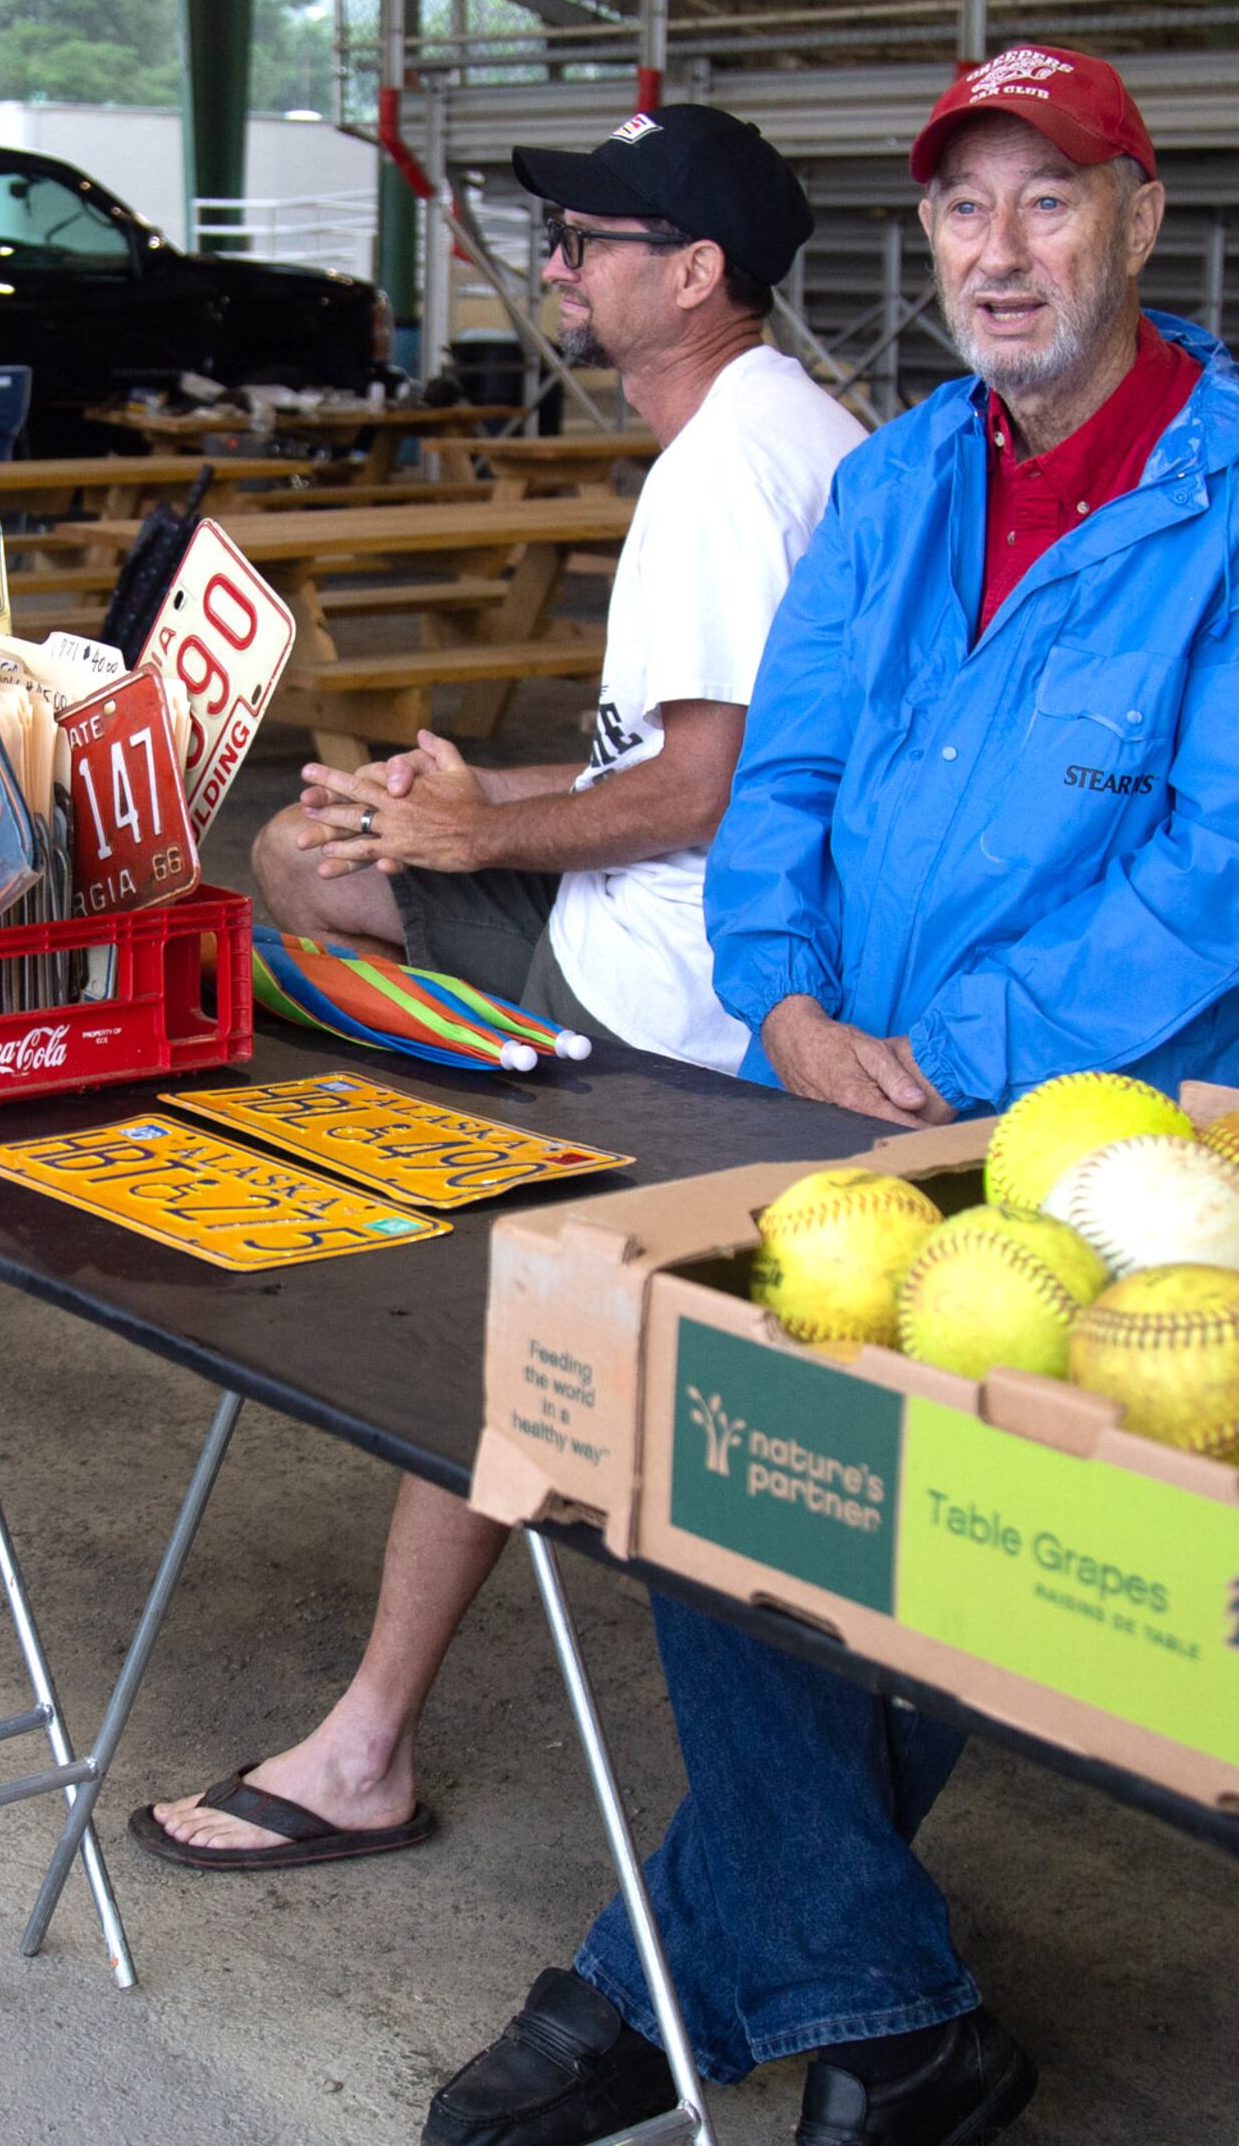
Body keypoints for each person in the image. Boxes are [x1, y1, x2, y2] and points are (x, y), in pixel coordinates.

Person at [423, 42, 1239, 2146]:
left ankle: (662, 1982)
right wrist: (773, 998)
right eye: (966, 205)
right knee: (732, 1507)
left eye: (1052, 198)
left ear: (1139, 218)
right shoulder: (896, 478)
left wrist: (974, 1048)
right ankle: (877, 1999)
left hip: (1110, 1150)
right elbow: (780, 779)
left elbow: (1237, 866)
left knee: (937, 1558)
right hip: (832, 1092)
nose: (1002, 247)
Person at [140, 104, 857, 1872]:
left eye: (593, 241)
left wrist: (466, 843)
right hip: (685, 948)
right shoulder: (788, 432)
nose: (556, 263)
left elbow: (701, 794)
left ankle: (367, 1740)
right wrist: (448, 806)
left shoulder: (721, 475)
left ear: (695, 277)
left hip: (670, 1008)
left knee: (311, 933)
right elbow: (700, 766)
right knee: (322, 858)